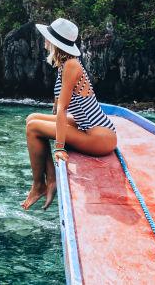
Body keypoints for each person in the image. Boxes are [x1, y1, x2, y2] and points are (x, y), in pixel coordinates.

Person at [21, 18, 117, 210]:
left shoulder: (72, 65)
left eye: (47, 38)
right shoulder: (64, 65)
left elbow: (63, 109)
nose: (44, 41)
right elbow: (58, 106)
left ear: (55, 43)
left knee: (33, 128)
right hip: (87, 127)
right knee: (31, 118)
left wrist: (59, 147)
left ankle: (39, 185)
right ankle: (51, 180)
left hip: (100, 135)